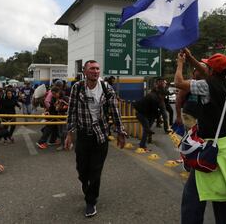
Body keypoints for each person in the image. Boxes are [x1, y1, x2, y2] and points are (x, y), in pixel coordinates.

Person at [175, 50, 226, 224]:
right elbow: (207, 72)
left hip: (210, 154)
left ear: (211, 70)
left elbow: (179, 83)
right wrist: (190, 58)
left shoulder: (206, 86)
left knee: (191, 202)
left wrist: (181, 63)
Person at [64, 60, 127, 218]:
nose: (95, 71)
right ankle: (85, 185)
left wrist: (120, 132)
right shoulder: (77, 87)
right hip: (83, 135)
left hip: (101, 135)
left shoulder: (106, 88)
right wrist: (69, 134)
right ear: (85, 71)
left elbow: (114, 111)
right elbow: (71, 111)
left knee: (96, 171)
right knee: (82, 169)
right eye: (92, 68)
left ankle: (91, 201)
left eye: (97, 68)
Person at [133, 83, 166, 150]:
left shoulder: (157, 98)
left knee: (147, 129)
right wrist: (159, 118)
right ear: (160, 94)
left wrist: (161, 119)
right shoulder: (153, 97)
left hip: (148, 114)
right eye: (163, 96)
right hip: (141, 113)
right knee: (147, 128)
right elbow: (155, 110)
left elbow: (161, 111)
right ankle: (143, 144)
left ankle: (143, 143)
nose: (164, 97)